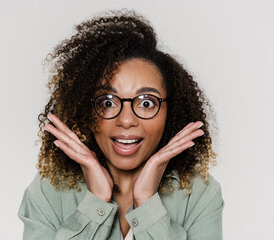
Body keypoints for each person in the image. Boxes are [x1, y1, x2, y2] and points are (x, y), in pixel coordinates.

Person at [18, 10, 224, 240]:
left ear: (171, 112)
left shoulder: (198, 194)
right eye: (107, 102)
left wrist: (146, 201)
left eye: (147, 102)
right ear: (85, 111)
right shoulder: (49, 191)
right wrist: (96, 202)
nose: (126, 120)